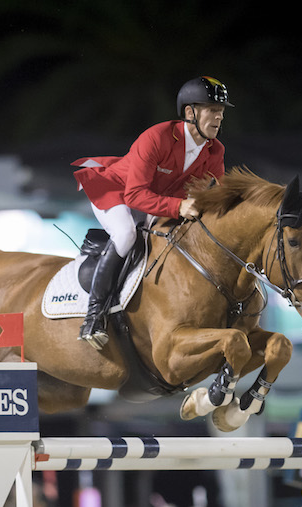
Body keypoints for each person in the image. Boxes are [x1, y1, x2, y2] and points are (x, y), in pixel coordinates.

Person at [71, 76, 233, 349]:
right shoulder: (156, 137)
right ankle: (93, 318)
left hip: (154, 200)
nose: (218, 117)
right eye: (211, 110)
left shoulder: (215, 150)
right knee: (126, 235)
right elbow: (134, 195)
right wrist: (179, 206)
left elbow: (216, 194)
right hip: (115, 191)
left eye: (221, 111)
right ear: (190, 112)